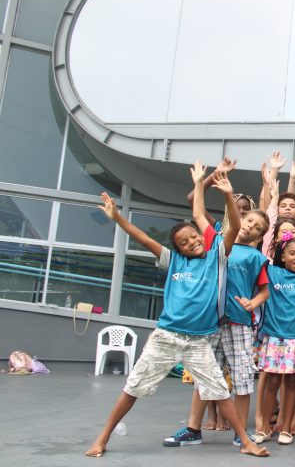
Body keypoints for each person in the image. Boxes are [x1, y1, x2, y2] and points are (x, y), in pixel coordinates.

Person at [85, 164, 268, 458]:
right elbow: (143, 238)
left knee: (219, 391)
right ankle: (103, 437)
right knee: (133, 388)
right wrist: (117, 217)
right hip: (166, 336)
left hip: (198, 340)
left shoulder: (217, 257)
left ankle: (246, 442)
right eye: (185, 242)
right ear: (178, 249)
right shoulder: (173, 262)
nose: (193, 242)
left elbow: (232, 225)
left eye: (195, 237)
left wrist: (227, 194)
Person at [164, 162, 270, 447]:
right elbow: (197, 212)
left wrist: (253, 302)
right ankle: (192, 428)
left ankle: (241, 433)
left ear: (260, 236)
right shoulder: (216, 241)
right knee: (204, 377)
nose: (250, 226)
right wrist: (202, 182)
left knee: (243, 379)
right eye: (248, 220)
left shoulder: (256, 258)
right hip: (210, 322)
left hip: (239, 325)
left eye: (256, 227)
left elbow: (264, 291)